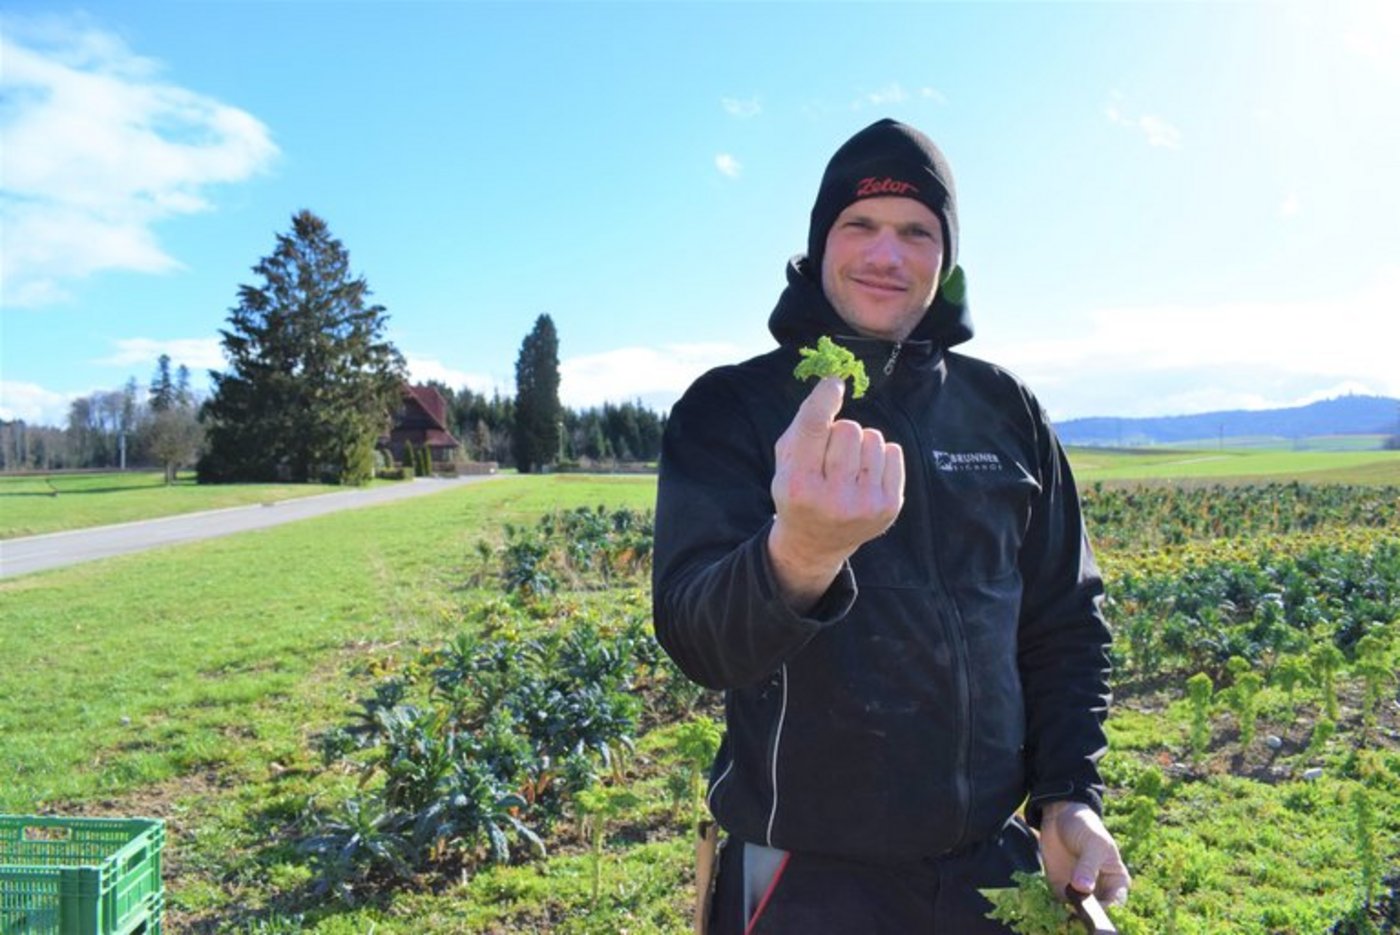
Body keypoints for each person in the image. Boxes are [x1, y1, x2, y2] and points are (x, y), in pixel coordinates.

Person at [651, 118, 1130, 933]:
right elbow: (698, 640)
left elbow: (1063, 623)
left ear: (945, 261)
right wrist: (798, 553)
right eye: (861, 225)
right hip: (804, 882)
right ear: (819, 242)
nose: (888, 254)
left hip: (989, 868)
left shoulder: (1005, 411)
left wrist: (1066, 796)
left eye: (917, 231)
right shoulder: (732, 408)